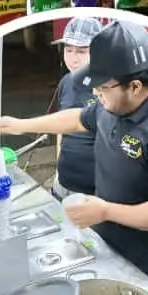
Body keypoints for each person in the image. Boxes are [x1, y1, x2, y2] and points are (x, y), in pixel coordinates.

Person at [0, 21, 148, 295]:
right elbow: (78, 119)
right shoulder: (114, 103)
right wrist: (21, 125)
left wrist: (104, 210)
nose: (95, 92)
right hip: (115, 239)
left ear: (135, 86)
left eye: (102, 86)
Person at [51, 16, 103, 199]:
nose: (73, 59)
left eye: (81, 51)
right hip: (63, 183)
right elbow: (61, 129)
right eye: (69, 50)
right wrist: (57, 171)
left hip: (96, 192)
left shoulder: (110, 86)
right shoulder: (66, 82)